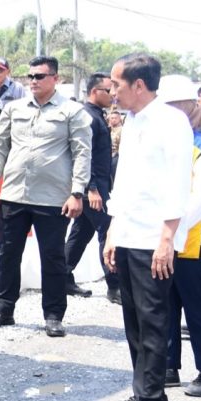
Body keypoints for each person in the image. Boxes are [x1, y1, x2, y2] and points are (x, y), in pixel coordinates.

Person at [102, 55, 192, 401]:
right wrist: (113, 232)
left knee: (154, 324)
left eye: (117, 85)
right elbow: (124, 183)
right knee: (135, 323)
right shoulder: (132, 121)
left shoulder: (171, 122)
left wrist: (167, 239)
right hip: (128, 234)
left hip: (154, 239)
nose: (112, 91)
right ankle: (148, 395)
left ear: (139, 85)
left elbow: (179, 183)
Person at [0, 56, 92, 338]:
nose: (33, 81)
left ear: (55, 78)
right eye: (30, 76)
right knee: (8, 254)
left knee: (52, 257)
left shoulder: (72, 111)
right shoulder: (13, 109)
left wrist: (77, 192)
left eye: (40, 76)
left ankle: (53, 315)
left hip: (52, 198)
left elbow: (82, 153)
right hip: (14, 194)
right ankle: (4, 308)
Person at [155, 75, 201, 398]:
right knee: (165, 307)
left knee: (197, 309)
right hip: (163, 240)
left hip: (196, 242)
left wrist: (169, 232)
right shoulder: (162, 147)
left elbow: (198, 203)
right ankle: (169, 366)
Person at [63, 73, 119, 302]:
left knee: (81, 232)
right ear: (95, 91)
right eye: (108, 90)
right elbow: (83, 155)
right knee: (108, 231)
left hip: (97, 184)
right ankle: (115, 286)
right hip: (92, 187)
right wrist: (92, 188)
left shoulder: (96, 115)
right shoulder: (88, 116)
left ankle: (63, 276)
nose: (113, 94)